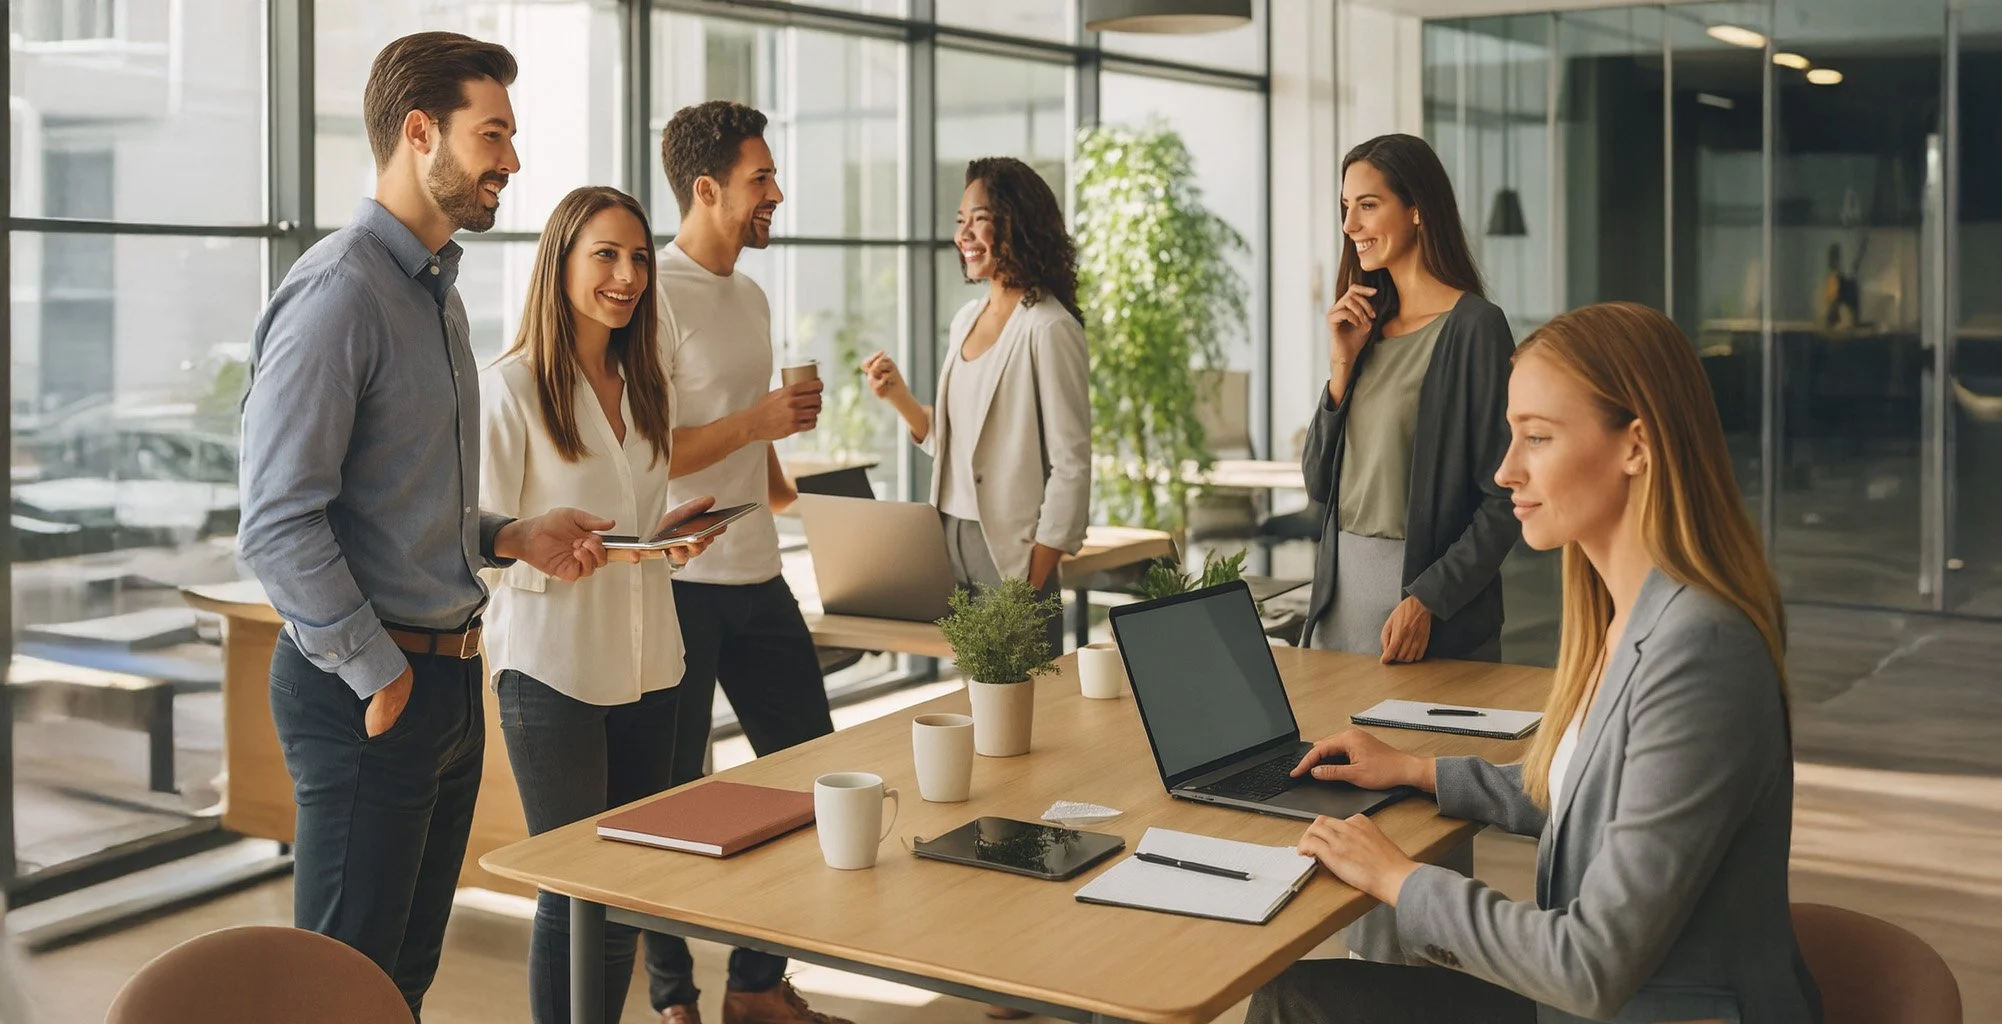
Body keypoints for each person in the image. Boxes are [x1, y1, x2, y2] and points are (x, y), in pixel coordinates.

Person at [1249, 302, 1823, 1023]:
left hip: (1625, 1006)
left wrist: (1399, 878)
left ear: (1636, 446)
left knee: (1296, 1005)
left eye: (1538, 439)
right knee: (1292, 995)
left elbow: (1589, 966)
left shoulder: (1702, 650)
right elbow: (1595, 792)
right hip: (1593, 1003)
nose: (1505, 470)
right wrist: (1416, 772)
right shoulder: (1627, 619)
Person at [237, 32, 617, 1019]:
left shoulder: (435, 295)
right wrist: (382, 674)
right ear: (419, 133)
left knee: (400, 982)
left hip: (444, 677)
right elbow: (278, 521)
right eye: (492, 134)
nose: (512, 162)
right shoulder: (341, 293)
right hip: (371, 690)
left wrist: (508, 534)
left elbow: (402, 497)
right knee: (338, 993)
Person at [480, 185, 726, 1024]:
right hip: (552, 672)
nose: (627, 276)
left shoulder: (644, 383)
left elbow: (632, 524)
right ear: (561, 265)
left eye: (639, 258)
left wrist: (667, 537)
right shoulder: (508, 390)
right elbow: (474, 548)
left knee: (625, 885)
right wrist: (553, 556)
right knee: (575, 887)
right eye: (606, 256)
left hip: (652, 662)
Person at [651, 100, 848, 1024]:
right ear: (706, 188)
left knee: (813, 778)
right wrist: (759, 420)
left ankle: (756, 986)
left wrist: (785, 475)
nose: (777, 193)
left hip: (758, 572)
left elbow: (740, 439)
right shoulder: (650, 293)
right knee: (670, 800)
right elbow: (646, 453)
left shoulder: (753, 294)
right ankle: (672, 1004)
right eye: (760, 178)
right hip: (679, 583)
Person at [1301, 133, 1518, 664]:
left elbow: (1506, 496)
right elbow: (1317, 483)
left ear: (1418, 210)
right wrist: (1341, 367)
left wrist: (1428, 599)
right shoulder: (1364, 329)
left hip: (1429, 620)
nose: (1350, 226)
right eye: (1346, 208)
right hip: (1338, 609)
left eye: (1368, 206)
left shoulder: (1475, 329)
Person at [862, 156, 1091, 657]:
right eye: (959, 221)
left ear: (1016, 223)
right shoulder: (967, 319)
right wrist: (899, 396)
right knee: (976, 705)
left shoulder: (1049, 327)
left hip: (1009, 551)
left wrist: (1032, 579)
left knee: (1021, 714)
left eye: (978, 219)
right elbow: (961, 447)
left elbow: (1072, 467)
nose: (964, 234)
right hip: (949, 539)